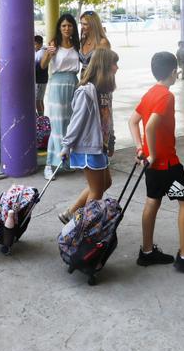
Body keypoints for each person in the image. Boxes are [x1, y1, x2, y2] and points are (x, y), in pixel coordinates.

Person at [127, 51, 184, 273]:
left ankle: (147, 252)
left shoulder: (150, 93)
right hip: (166, 164)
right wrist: (154, 154)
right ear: (174, 72)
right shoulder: (166, 96)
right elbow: (149, 126)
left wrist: (141, 148)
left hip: (151, 165)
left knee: (152, 202)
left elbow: (133, 121)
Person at [59, 48, 120, 220]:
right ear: (103, 66)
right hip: (88, 147)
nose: (116, 68)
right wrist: (66, 146)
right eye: (113, 64)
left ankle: (70, 214)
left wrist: (111, 140)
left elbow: (109, 118)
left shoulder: (106, 90)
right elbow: (76, 121)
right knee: (97, 190)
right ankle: (82, 228)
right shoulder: (86, 91)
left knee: (105, 183)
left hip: (100, 145)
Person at [42, 15, 82, 180]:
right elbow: (43, 66)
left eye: (70, 26)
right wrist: (48, 55)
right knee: (57, 126)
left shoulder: (77, 44)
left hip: (74, 83)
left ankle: (65, 161)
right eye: (64, 26)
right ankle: (49, 165)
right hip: (57, 85)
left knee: (69, 125)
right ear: (59, 27)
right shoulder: (53, 44)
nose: (67, 28)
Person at [34, 35, 48, 116]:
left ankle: (41, 118)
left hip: (40, 80)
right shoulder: (42, 51)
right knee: (40, 100)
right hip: (43, 80)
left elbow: (37, 67)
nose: (34, 46)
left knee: (37, 101)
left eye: (35, 44)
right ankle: (42, 117)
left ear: (40, 44)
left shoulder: (41, 53)